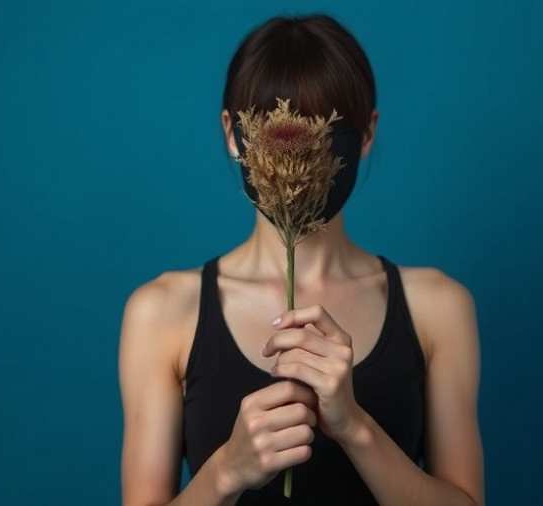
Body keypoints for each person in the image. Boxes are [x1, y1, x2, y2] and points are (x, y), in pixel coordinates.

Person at [119, 14, 484, 506]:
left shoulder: (438, 307)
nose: (299, 155)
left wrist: (355, 427)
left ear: (367, 134)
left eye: (324, 131)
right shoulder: (161, 312)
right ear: (234, 135)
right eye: (274, 131)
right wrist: (228, 470)